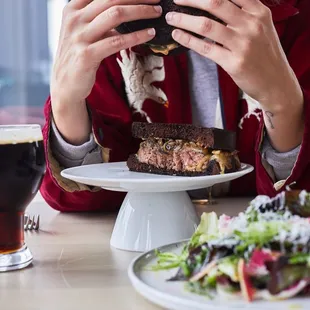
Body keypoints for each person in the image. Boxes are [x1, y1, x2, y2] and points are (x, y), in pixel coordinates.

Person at [40, 0, 310, 212]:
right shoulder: (108, 22)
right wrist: (67, 104)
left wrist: (285, 107)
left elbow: (299, 206)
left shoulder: (298, 18)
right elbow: (83, 199)